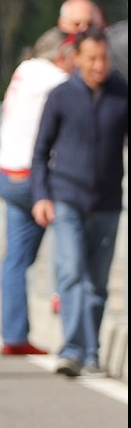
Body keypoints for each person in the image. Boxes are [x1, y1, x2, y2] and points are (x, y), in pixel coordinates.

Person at [31, 28, 128, 378]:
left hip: (107, 202)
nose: (99, 65)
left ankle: (92, 352)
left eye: (104, 58)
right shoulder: (61, 96)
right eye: (92, 59)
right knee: (72, 273)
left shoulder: (122, 95)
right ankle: (73, 350)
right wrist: (41, 195)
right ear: (77, 58)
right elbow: (40, 152)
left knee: (98, 284)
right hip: (67, 198)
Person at [0, 26, 76, 356]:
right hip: (38, 178)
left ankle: (14, 336)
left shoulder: (24, 70)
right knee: (73, 235)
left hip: (9, 174)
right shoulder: (54, 78)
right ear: (61, 56)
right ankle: (62, 299)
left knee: (16, 259)